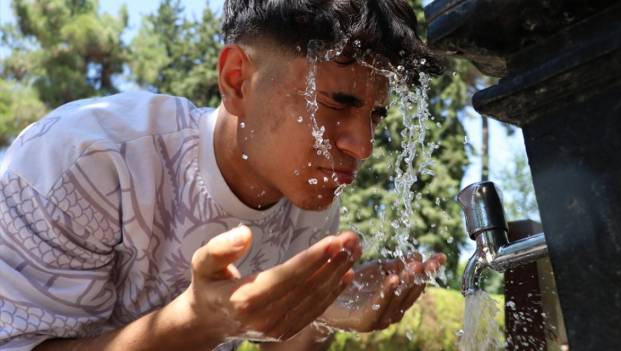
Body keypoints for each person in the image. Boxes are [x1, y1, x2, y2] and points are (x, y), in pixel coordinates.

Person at [0, 0, 446, 350]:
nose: (362, 146)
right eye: (337, 104)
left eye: (377, 116)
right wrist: (196, 323)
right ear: (237, 81)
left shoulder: (308, 198)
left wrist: (328, 308)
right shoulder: (87, 162)